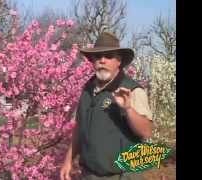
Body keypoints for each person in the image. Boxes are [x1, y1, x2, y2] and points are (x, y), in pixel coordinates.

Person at [60, 32, 153, 180]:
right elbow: (79, 127)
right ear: (92, 61)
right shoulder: (87, 89)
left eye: (109, 56)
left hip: (123, 175)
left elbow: (146, 131)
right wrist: (68, 160)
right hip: (89, 174)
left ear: (119, 61)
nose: (102, 60)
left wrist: (128, 109)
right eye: (98, 57)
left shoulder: (132, 90)